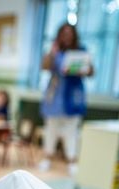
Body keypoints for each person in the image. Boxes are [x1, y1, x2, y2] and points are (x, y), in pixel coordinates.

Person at [39, 22, 93, 175]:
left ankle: (72, 160)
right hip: (55, 95)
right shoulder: (55, 51)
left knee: (71, 130)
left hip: (73, 94)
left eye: (70, 34)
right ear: (59, 36)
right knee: (51, 129)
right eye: (64, 34)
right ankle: (47, 157)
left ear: (74, 36)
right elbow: (45, 66)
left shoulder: (81, 51)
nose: (67, 37)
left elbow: (90, 71)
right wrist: (52, 52)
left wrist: (81, 68)